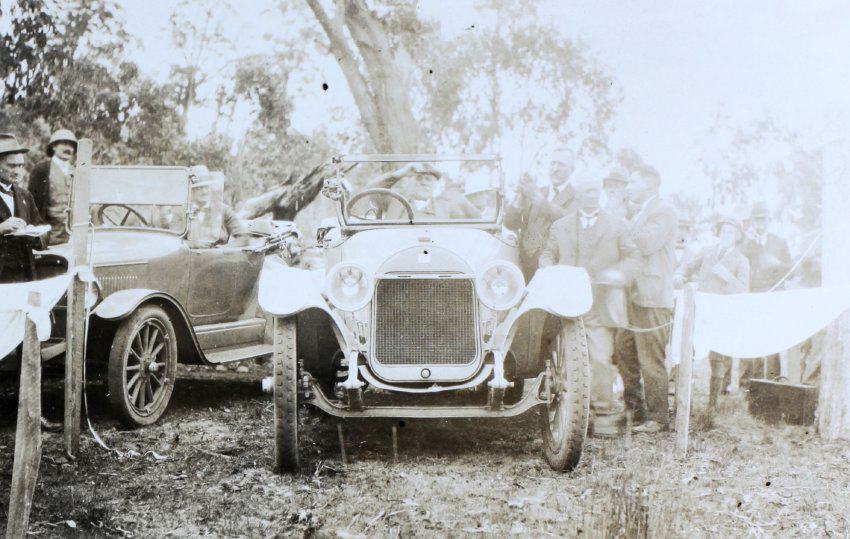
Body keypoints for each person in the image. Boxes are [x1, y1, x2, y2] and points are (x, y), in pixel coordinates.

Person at [539, 176, 638, 435]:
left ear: (600, 195)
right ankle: (570, 414)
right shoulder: (560, 226)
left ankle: (603, 415)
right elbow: (548, 253)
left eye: (595, 191)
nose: (591, 196)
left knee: (600, 358)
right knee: (565, 359)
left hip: (600, 304)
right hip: (566, 303)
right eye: (586, 191)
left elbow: (632, 257)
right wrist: (547, 266)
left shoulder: (618, 226)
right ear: (578, 196)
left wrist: (619, 273)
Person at [619, 165, 678, 433]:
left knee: (650, 359)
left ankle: (658, 418)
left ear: (650, 185)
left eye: (633, 181)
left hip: (653, 297)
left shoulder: (664, 211)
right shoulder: (641, 212)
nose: (627, 187)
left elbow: (645, 243)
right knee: (624, 351)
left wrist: (619, 227)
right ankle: (634, 412)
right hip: (633, 296)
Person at [677, 216, 749, 407]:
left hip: (722, 313)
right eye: (724, 231)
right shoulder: (707, 252)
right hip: (699, 309)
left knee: (717, 357)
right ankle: (683, 400)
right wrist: (681, 276)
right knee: (689, 350)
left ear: (738, 236)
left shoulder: (741, 261)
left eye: (731, 232)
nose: (726, 235)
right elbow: (689, 266)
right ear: (718, 233)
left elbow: (743, 290)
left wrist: (727, 277)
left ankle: (712, 405)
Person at [505, 148, 577, 281]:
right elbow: (510, 223)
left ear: (572, 169)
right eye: (553, 163)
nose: (555, 168)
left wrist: (538, 198)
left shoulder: (577, 196)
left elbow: (570, 221)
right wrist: (520, 197)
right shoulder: (538, 191)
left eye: (561, 164)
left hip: (555, 268)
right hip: (524, 267)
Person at [738, 201, 791, 384]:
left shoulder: (780, 242)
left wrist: (776, 263)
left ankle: (773, 381)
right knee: (749, 339)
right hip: (751, 298)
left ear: (769, 220)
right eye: (756, 220)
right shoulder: (745, 243)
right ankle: (747, 382)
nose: (760, 224)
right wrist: (747, 241)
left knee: (771, 340)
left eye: (763, 220)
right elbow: (739, 265)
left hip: (772, 298)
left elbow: (789, 269)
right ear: (752, 221)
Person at [0, 133, 47, 283]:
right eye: (11, 166)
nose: (17, 171)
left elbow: (44, 235)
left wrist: (34, 235)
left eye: (20, 165)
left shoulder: (25, 196)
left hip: (23, 276)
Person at [28, 128, 77, 245]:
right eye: (64, 144)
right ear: (54, 146)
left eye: (72, 145)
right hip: (51, 233)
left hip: (74, 233)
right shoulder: (41, 170)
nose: (68, 148)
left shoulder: (78, 171)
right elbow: (32, 202)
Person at [188, 165, 249, 246]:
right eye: (199, 188)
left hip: (218, 257)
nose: (204, 191)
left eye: (206, 187)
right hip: (188, 256)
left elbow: (243, 237)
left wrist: (225, 250)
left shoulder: (224, 210)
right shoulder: (182, 211)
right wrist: (193, 245)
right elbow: (172, 240)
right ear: (192, 190)